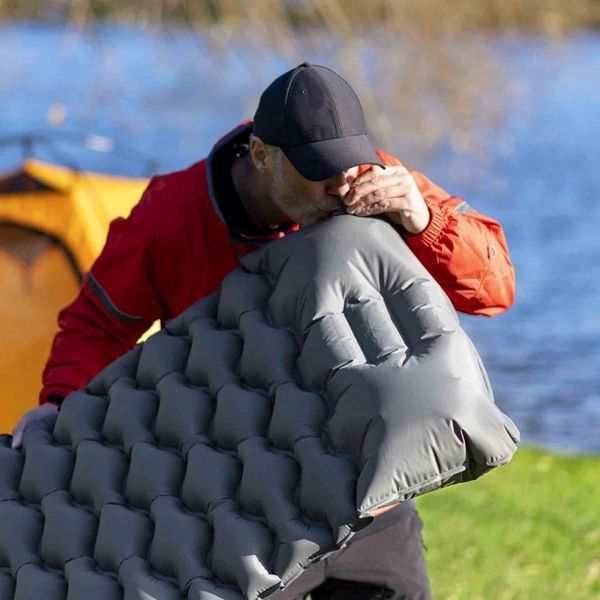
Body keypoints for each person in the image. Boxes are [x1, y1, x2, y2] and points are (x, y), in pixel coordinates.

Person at [11, 62, 515, 599]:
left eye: (349, 163)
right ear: (260, 155)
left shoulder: (377, 182)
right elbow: (96, 323)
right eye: (319, 170)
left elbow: (494, 290)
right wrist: (61, 402)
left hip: (369, 501)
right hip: (252, 517)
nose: (341, 185)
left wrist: (423, 221)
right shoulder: (171, 217)